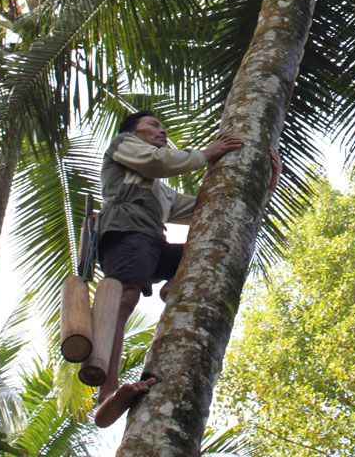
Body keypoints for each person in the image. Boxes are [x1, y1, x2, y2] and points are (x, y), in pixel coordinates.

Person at [93, 110, 281, 427]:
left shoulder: (160, 191)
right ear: (134, 133)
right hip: (126, 232)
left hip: (153, 240)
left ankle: (172, 284)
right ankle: (107, 396)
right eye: (153, 126)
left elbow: (211, 206)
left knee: (209, 252)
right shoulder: (122, 144)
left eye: (163, 128)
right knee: (125, 300)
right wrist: (206, 154)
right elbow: (157, 161)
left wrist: (266, 184)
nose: (161, 131)